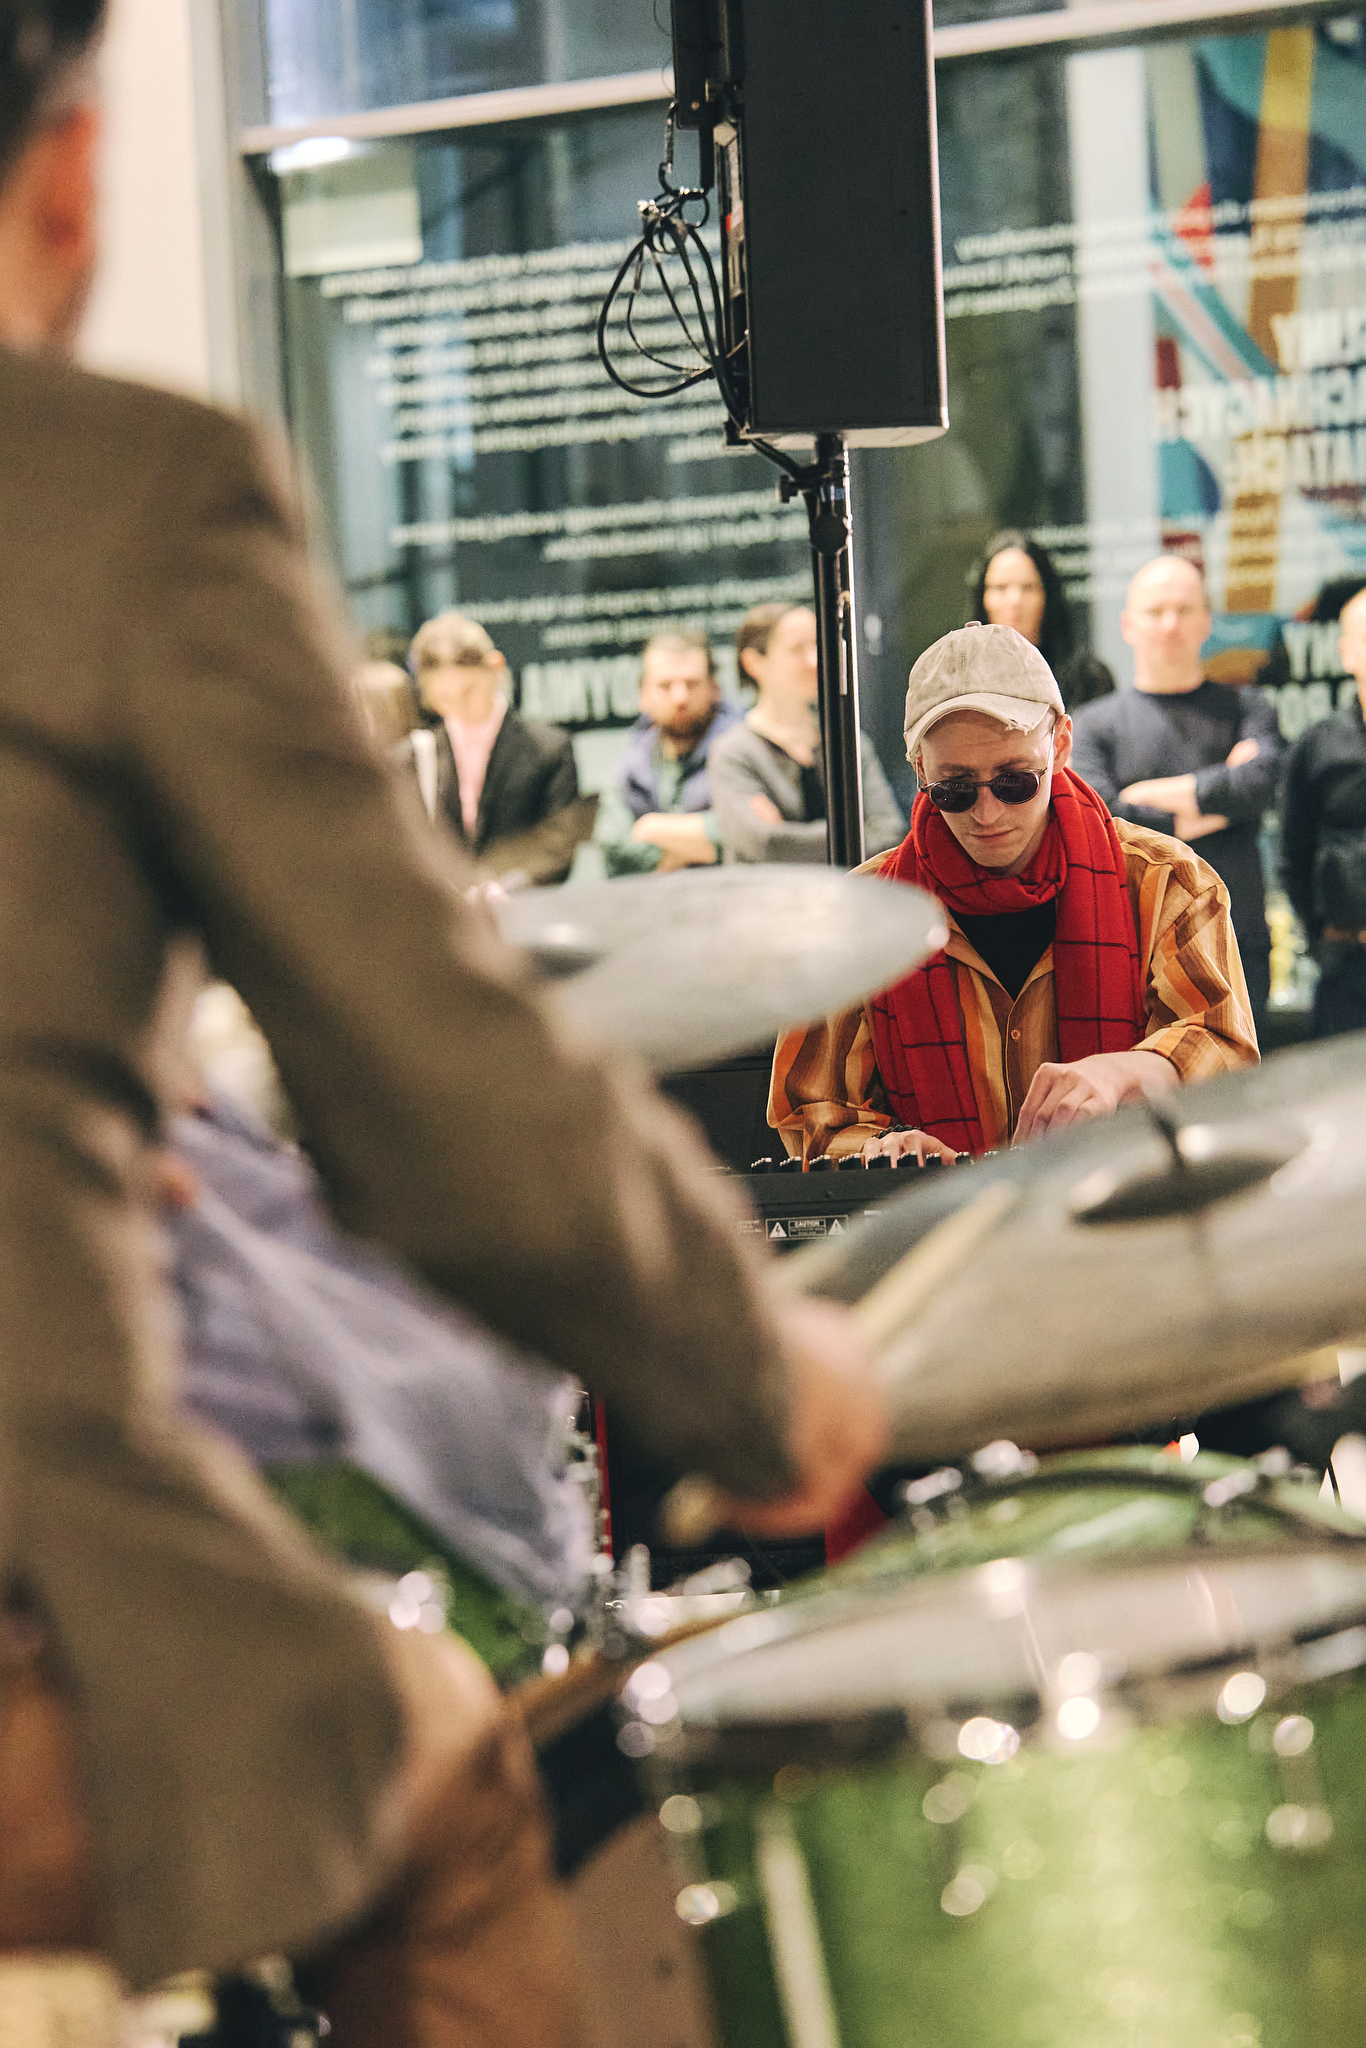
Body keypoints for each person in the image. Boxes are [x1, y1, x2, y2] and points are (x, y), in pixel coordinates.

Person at [0, 10, 887, 2040]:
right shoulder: (116, 494)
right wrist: (755, 1378)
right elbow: (434, 1097)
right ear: (72, 176)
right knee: (441, 1762)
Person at [769, 624, 1258, 1164]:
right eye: (955, 789)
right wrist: (883, 1151)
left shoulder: (1166, 882)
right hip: (943, 1215)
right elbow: (811, 1112)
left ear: (1061, 745)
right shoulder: (854, 916)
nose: (987, 813)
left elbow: (1224, 1047)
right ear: (920, 769)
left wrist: (1124, 1072)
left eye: (1015, 781)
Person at [1071, 555, 1284, 1025]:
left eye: (1185, 609)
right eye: (1156, 611)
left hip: (1237, 942)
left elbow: (1258, 786)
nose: (1170, 623)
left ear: (1207, 621)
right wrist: (1225, 800)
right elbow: (1103, 824)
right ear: (1128, 624)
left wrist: (1142, 799)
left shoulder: (1249, 708)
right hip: (1135, 951)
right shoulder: (1091, 726)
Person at [405, 609, 595, 885]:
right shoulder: (416, 755)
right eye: (443, 698)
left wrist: (508, 886)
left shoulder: (549, 748)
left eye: (468, 691)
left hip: (523, 903)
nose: (458, 708)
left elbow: (559, 844)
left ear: (495, 668)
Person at [709, 601, 904, 862]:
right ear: (754, 662)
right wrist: (858, 833)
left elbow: (890, 835)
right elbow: (766, 845)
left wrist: (789, 834)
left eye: (818, 646)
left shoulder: (849, 740)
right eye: (797, 649)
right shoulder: (733, 751)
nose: (815, 661)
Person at [1280, 580, 1366, 1037]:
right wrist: (1321, 944)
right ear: (1346, 653)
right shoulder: (1318, 747)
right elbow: (1294, 857)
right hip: (1347, 971)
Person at [596, 631, 740, 877]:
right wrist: (700, 845)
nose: (680, 697)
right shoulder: (630, 766)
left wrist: (650, 829)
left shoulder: (743, 749)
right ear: (643, 695)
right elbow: (615, 856)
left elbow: (749, 837)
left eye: (692, 684)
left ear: (714, 687)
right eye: (665, 686)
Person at [971, 528, 1115, 713]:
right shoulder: (959, 679)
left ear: (1047, 595)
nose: (1014, 601)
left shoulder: (1088, 679)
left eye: (1028, 587)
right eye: (1000, 588)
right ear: (982, 597)